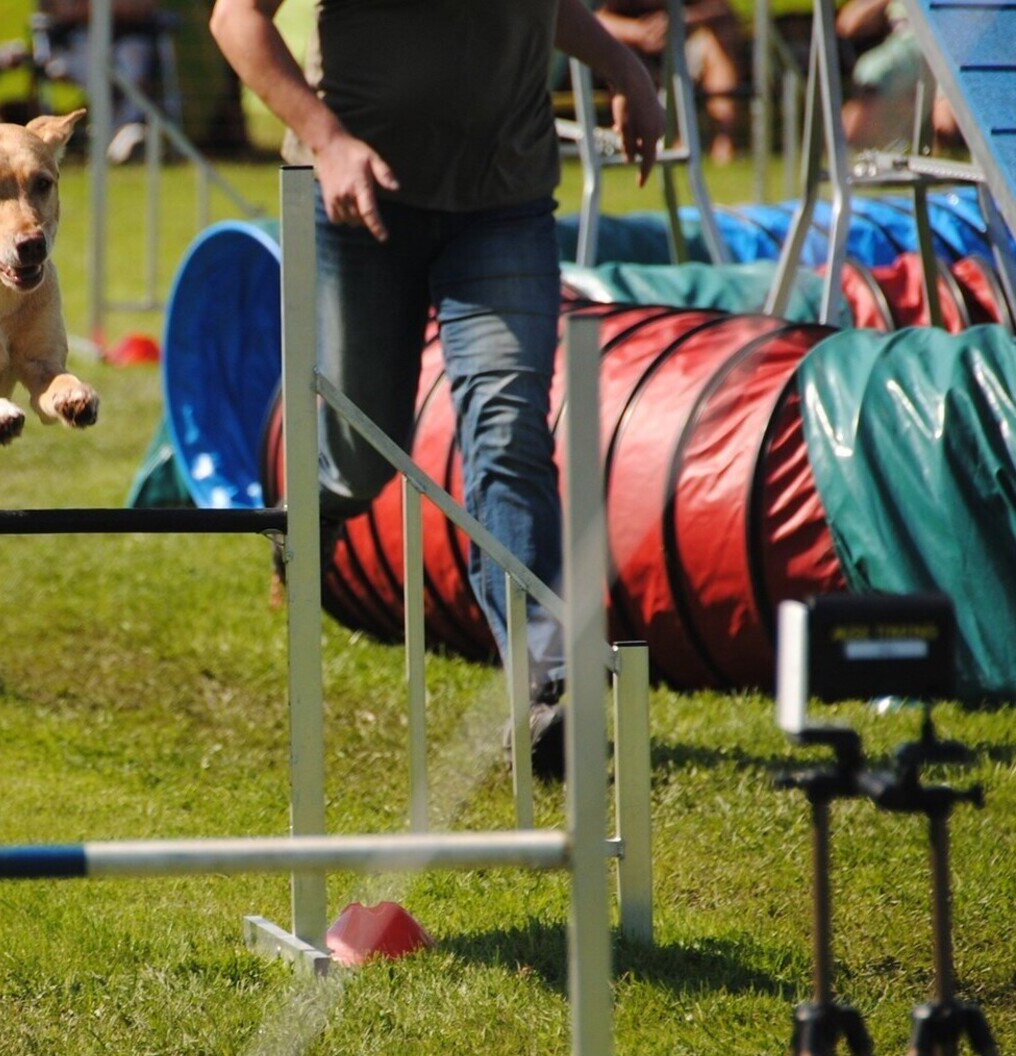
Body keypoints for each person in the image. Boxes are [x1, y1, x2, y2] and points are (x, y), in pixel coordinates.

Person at [208, 0, 665, 778]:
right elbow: (234, 19)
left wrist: (623, 67)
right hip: (356, 198)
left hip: (502, 202)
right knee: (360, 459)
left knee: (508, 426)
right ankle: (302, 513)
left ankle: (545, 687)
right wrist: (327, 140)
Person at [595, 0, 745, 165]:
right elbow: (590, 17)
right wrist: (637, 31)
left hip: (680, 47)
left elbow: (722, 9)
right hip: (630, 53)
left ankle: (722, 141)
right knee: (620, 58)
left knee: (715, 45)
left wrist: (678, 19)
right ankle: (645, 139)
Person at [39, 0, 165, 163]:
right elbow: (60, 9)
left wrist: (107, 9)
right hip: (77, 45)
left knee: (130, 69)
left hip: (127, 39)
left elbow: (144, 7)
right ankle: (109, 138)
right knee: (96, 70)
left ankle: (125, 133)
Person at [835, 0, 958, 149]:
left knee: (945, 125)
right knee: (874, 71)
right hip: (905, 51)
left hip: (951, 47)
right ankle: (843, 148)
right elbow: (848, 24)